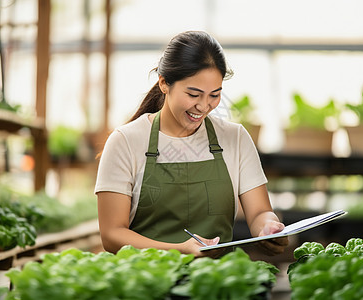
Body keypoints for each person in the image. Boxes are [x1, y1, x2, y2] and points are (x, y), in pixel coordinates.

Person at [95, 31, 288, 257]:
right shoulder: (125, 141)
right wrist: (179, 250)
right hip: (147, 282)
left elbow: (259, 213)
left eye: (214, 95)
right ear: (164, 83)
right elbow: (112, 234)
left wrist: (268, 226)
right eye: (193, 94)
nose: (204, 106)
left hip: (213, 283)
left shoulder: (235, 138)